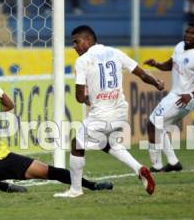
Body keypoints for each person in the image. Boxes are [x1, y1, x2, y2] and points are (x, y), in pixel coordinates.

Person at [54, 25, 163, 198]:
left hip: (101, 114)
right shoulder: (116, 52)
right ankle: (139, 169)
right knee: (107, 143)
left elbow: (80, 97)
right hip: (120, 112)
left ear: (88, 40)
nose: (74, 46)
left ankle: (75, 190)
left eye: (76, 42)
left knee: (77, 144)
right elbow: (141, 74)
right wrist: (156, 83)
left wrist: (90, 99)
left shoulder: (83, 61)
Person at [144, 22, 194, 172]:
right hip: (175, 95)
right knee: (161, 127)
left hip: (183, 99)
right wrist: (156, 64)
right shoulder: (179, 46)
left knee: (152, 124)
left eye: (193, 34)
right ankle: (173, 162)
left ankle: (156, 165)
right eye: (187, 32)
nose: (188, 35)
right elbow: (170, 65)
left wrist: (190, 95)